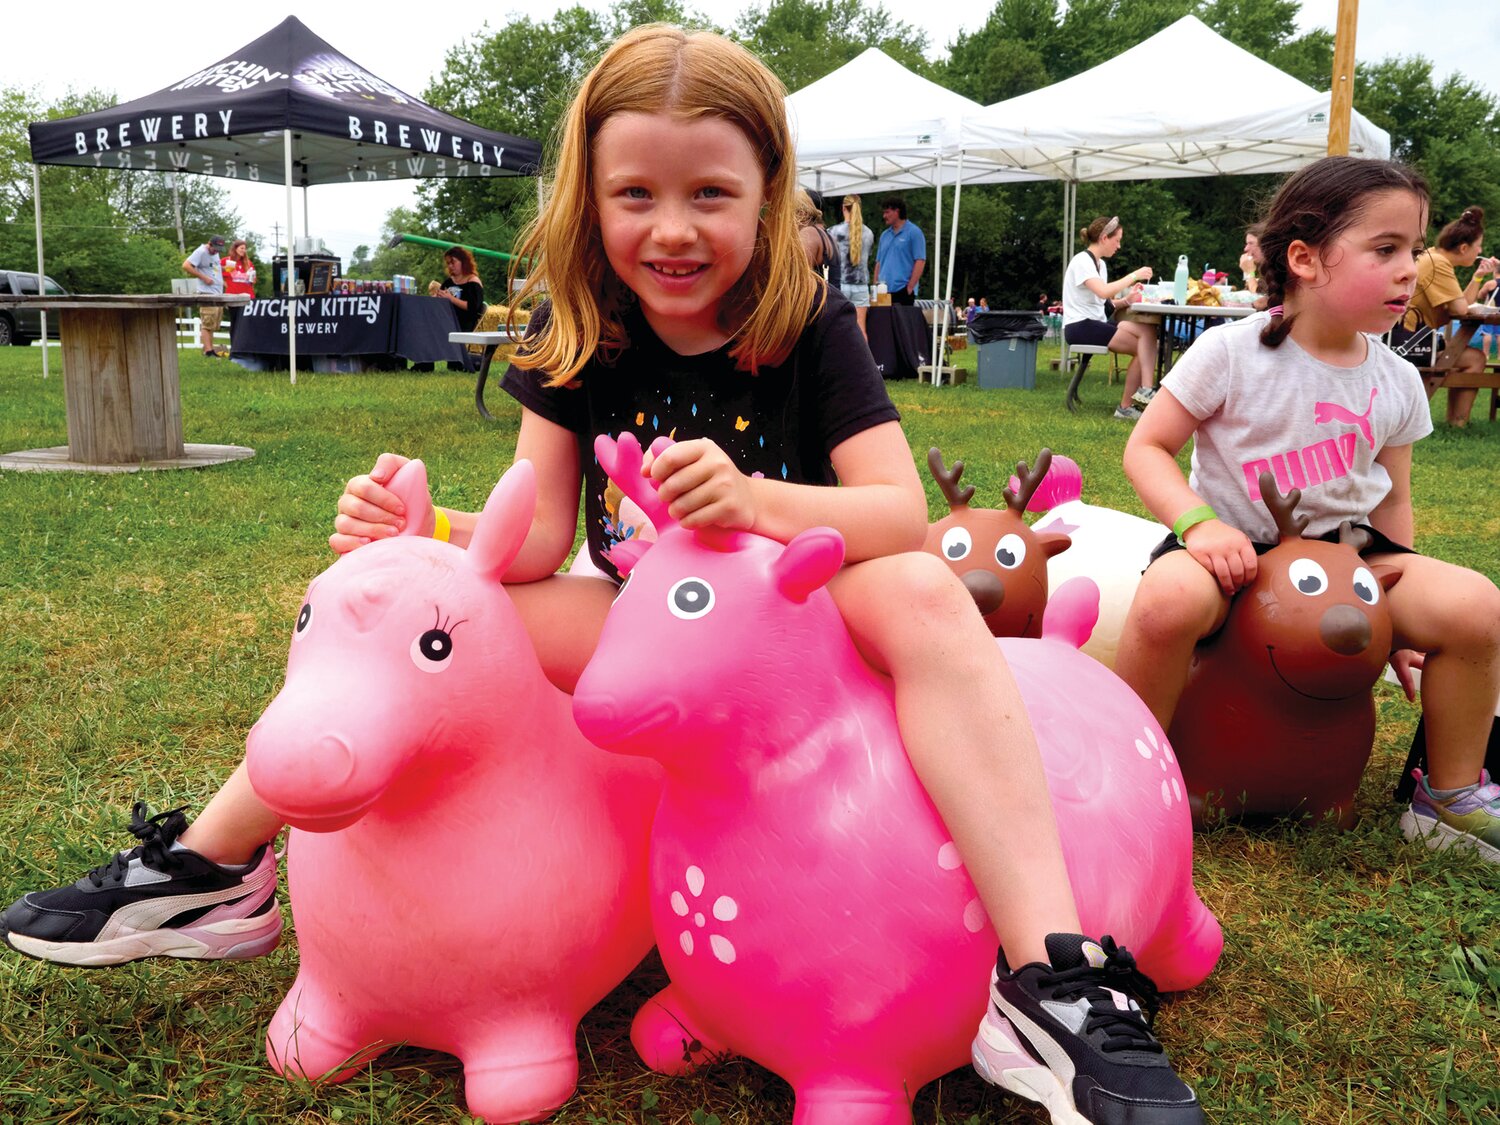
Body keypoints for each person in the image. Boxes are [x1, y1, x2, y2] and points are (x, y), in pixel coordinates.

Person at [1, 24, 1202, 1125]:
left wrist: (755, 505)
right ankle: (210, 870)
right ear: (592, 199)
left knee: (924, 592)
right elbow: (528, 548)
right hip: (643, 621)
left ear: (769, 198)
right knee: (426, 600)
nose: (671, 229)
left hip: (796, 619)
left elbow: (892, 511)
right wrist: (431, 523)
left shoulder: (809, 325)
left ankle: (1052, 973)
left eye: (710, 195)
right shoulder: (579, 333)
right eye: (637, 195)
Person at [1114, 155, 1500, 865]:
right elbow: (1147, 448)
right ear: (1305, 258)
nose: (1409, 269)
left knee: (1478, 604)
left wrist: (1399, 613)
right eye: (1386, 249)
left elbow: (1396, 499)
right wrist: (1198, 526)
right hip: (1233, 549)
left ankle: (1447, 795)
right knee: (1165, 602)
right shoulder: (1228, 353)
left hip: (1350, 556)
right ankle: (1128, 771)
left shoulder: (1397, 382)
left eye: (1414, 250)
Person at [1389, 206, 1497, 427]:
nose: (1480, 251)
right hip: (1411, 343)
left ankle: (1456, 423)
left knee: (1473, 357)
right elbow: (1459, 310)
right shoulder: (1439, 264)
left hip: (1407, 338)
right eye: (1478, 247)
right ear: (1464, 247)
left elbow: (1461, 304)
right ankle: (1457, 423)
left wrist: (1477, 278)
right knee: (1476, 359)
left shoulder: (1433, 256)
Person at [1062, 215, 1158, 421]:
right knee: (1144, 347)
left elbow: (1103, 303)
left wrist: (1126, 301)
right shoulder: (1081, 261)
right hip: (1080, 327)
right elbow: (1104, 292)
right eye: (1117, 240)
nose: (1119, 246)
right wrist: (1134, 276)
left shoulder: (1100, 265)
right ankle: (1131, 403)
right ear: (1104, 238)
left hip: (1095, 323)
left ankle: (1145, 390)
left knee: (1148, 333)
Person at [828, 194, 874, 338]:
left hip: (840, 286)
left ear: (843, 208)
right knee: (861, 331)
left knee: (838, 330)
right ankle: (864, 361)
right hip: (861, 286)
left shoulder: (833, 232)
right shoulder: (868, 233)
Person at [872, 196, 925, 306]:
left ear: (897, 211)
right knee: (883, 322)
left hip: (903, 290)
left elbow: (920, 260)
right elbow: (879, 262)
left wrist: (910, 287)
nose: (884, 216)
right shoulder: (884, 235)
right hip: (883, 291)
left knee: (901, 323)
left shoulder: (914, 233)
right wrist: (875, 286)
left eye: (887, 212)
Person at [183, 234, 227, 357]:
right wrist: (203, 277)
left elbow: (212, 268)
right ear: (209, 243)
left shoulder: (215, 253)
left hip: (217, 292)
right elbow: (186, 265)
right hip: (207, 292)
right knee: (207, 323)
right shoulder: (201, 251)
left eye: (219, 249)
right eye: (215, 248)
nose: (216, 251)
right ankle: (208, 352)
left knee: (213, 324)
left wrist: (222, 276)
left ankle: (209, 349)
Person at [795, 189, 838, 288]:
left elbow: (799, 281)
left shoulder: (809, 233)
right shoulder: (828, 236)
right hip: (831, 300)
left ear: (801, 213)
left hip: (818, 302)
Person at [221, 239, 257, 339]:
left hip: (247, 296)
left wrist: (251, 278)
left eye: (245, 249)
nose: (243, 251)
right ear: (235, 248)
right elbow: (215, 273)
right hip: (233, 296)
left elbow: (253, 280)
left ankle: (246, 344)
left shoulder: (248, 263)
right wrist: (224, 284)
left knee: (247, 321)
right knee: (235, 321)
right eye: (241, 248)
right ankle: (235, 345)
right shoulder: (227, 261)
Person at [1238, 228, 1262, 294]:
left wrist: (1249, 272)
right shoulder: (1265, 270)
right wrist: (1250, 274)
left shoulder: (1277, 269)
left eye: (1251, 243)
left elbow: (1257, 297)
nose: (1246, 249)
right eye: (1247, 244)